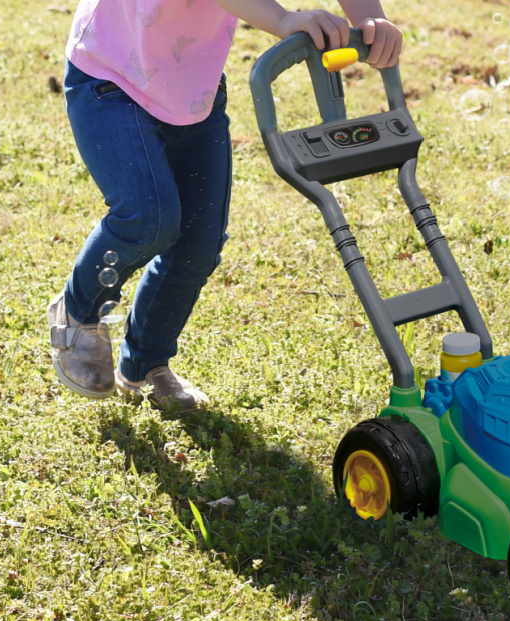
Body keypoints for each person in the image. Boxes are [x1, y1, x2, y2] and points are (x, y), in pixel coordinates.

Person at [48, 0, 403, 409]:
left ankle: (145, 363)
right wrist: (284, 20)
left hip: (191, 85)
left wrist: (369, 19)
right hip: (112, 75)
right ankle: (76, 312)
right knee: (148, 217)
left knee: (198, 244)